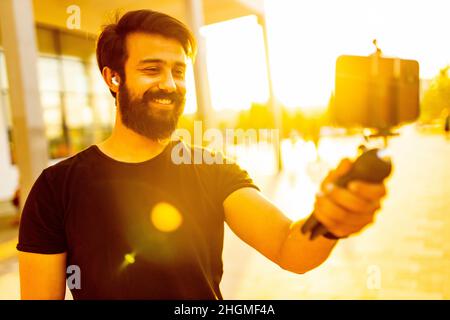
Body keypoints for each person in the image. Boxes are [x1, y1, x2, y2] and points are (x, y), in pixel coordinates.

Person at [17, 10, 387, 300]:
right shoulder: (56, 188)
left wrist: (328, 222)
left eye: (179, 71)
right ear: (113, 78)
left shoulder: (211, 168)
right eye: (151, 69)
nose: (169, 84)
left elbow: (289, 248)